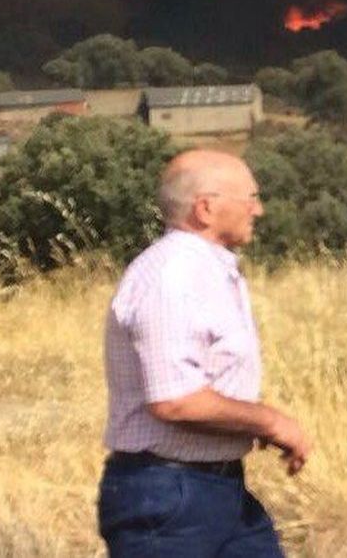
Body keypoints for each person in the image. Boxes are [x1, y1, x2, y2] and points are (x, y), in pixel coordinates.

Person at [99, 150, 312, 558]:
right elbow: (175, 400)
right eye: (250, 197)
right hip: (168, 498)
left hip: (214, 490)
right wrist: (269, 421)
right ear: (206, 208)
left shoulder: (207, 270)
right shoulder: (172, 275)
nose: (259, 209)